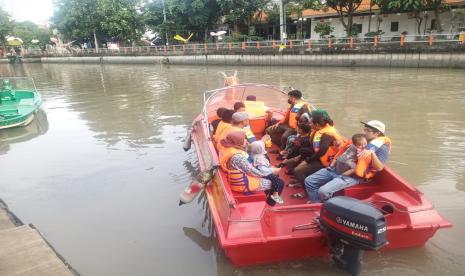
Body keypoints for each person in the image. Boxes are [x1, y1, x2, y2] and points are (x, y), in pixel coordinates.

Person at [304, 120, 391, 203]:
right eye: (364, 129)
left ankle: (326, 207)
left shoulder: (381, 148)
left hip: (352, 176)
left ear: (377, 133)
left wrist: (372, 153)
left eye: (367, 130)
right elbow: (347, 152)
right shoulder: (360, 139)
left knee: (323, 191)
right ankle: (317, 203)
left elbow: (379, 167)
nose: (364, 132)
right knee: (309, 181)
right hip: (335, 169)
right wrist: (337, 146)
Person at [287, 110, 344, 194]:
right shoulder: (318, 130)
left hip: (328, 162)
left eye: (311, 123)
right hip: (319, 157)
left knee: (298, 170)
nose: (309, 125)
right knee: (299, 154)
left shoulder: (327, 134)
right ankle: (302, 181)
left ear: (317, 124)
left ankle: (307, 191)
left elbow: (322, 151)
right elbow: (314, 148)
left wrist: (308, 160)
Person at [219, 131, 280, 201]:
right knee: (278, 182)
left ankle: (268, 196)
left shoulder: (226, 147)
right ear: (237, 143)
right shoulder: (237, 157)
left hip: (234, 177)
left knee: (271, 175)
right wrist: (272, 170)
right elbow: (255, 172)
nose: (246, 140)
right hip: (242, 184)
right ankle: (270, 202)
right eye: (243, 139)